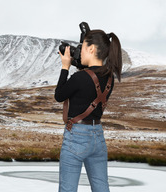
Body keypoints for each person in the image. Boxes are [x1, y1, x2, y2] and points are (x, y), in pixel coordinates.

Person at [54, 29, 122, 192]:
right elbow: (93, 78)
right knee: (101, 188)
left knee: (67, 189)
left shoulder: (80, 78)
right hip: (97, 137)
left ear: (91, 49)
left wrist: (65, 67)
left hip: (76, 137)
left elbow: (59, 95)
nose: (80, 51)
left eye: (83, 47)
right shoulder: (110, 77)